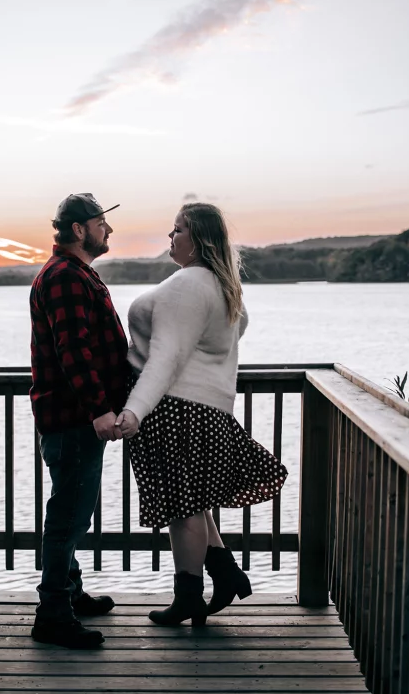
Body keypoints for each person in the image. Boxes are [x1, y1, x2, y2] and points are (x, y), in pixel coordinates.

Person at [115, 202, 287, 626]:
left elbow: (167, 357)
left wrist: (135, 410)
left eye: (177, 231)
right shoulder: (223, 288)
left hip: (175, 410)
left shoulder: (186, 285)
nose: (170, 238)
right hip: (206, 411)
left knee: (183, 508)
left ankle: (188, 596)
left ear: (199, 239)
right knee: (192, 502)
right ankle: (226, 574)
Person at [29, 193, 128, 648]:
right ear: (78, 230)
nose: (108, 230)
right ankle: (52, 614)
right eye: (100, 223)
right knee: (69, 516)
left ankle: (68, 592)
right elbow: (74, 352)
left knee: (70, 509)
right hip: (73, 418)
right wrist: (100, 408)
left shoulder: (75, 274)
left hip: (71, 418)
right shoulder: (66, 277)